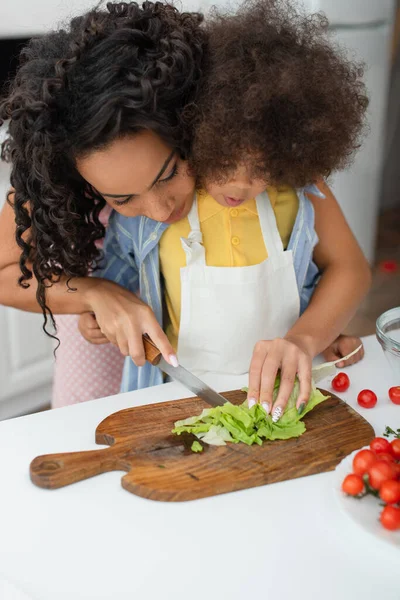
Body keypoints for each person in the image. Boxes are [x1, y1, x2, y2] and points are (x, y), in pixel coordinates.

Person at [78, 0, 370, 420]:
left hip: (284, 397)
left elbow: (352, 270)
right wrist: (97, 315)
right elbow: (112, 292)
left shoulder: (300, 195)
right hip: (175, 398)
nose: (243, 185)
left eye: (264, 169)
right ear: (197, 130)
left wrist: (307, 339)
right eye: (228, 160)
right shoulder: (150, 213)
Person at [0, 1, 205, 405]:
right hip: (99, 388)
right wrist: (93, 293)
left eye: (168, 175)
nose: (162, 211)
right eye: (122, 198)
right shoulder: (64, 184)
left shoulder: (245, 158)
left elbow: (341, 266)